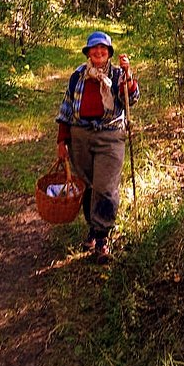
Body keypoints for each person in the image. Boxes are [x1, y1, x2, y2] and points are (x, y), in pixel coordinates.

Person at [56, 30, 139, 264]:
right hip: (80, 136)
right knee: (87, 185)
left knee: (105, 186)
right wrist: (62, 141)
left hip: (110, 135)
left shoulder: (117, 74)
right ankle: (93, 228)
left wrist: (129, 77)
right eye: (94, 49)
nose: (99, 52)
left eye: (103, 49)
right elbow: (66, 109)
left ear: (109, 52)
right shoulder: (78, 76)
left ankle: (102, 236)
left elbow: (131, 99)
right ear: (88, 52)